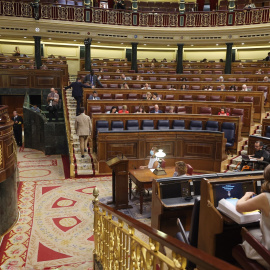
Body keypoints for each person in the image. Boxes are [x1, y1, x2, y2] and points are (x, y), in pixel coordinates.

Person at [236, 164, 270, 269]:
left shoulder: (265, 197)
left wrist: (246, 196)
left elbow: (239, 207)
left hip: (268, 256)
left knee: (246, 234)